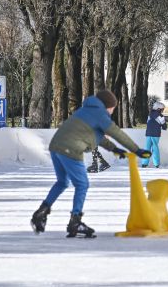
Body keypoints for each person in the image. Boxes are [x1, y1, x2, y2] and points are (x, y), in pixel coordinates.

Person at [30, 90, 151, 238]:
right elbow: (116, 132)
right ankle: (75, 221)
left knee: (62, 182)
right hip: (71, 148)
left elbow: (97, 137)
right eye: (113, 108)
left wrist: (114, 149)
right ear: (108, 106)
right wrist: (137, 150)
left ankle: (41, 213)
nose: (113, 111)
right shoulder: (100, 114)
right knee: (82, 184)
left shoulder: (86, 111)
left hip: (56, 146)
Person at [142, 101, 167, 168]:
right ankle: (156, 163)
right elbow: (164, 126)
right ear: (158, 109)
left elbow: (148, 122)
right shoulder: (160, 116)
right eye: (162, 109)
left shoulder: (149, 114)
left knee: (147, 148)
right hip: (155, 134)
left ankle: (144, 163)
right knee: (155, 148)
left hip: (148, 133)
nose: (162, 111)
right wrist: (164, 127)